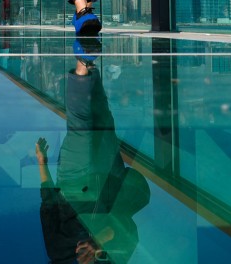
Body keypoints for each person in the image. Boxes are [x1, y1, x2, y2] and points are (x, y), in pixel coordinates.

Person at [34, 51, 150, 263]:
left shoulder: (58, 254)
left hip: (73, 181)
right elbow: (129, 231)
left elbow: (48, 207)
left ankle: (82, 63)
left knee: (81, 128)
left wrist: (42, 163)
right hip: (108, 178)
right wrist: (100, 242)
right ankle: (88, 64)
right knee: (103, 117)